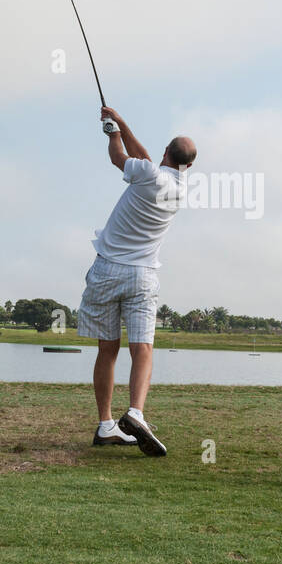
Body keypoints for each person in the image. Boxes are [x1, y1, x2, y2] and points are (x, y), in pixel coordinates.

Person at [77, 106, 196, 456]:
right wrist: (123, 123)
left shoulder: (146, 173)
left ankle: (105, 423)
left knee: (107, 349)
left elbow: (120, 158)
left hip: (107, 271)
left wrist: (113, 131)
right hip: (143, 277)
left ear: (165, 153)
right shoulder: (178, 187)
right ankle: (136, 413)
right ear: (188, 165)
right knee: (142, 347)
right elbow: (144, 160)